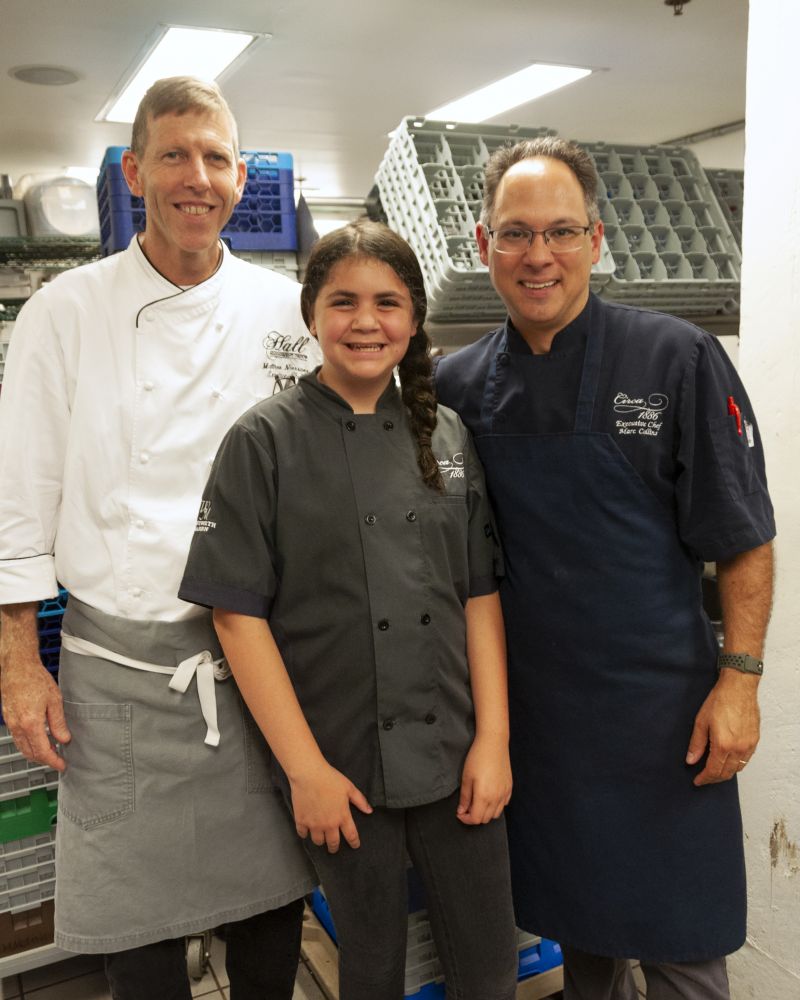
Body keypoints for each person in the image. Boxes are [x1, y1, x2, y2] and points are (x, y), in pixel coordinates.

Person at [0, 77, 320, 999]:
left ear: (241, 177)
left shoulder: (284, 312)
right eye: (174, 156)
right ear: (136, 171)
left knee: (269, 923)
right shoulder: (63, 312)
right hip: (122, 677)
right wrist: (20, 661)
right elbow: (20, 497)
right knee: (137, 947)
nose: (197, 178)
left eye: (216, 158)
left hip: (262, 663)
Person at [434, 137, 775, 1000]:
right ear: (483, 245)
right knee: (579, 935)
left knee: (684, 947)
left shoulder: (677, 359)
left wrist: (739, 680)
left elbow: (743, 536)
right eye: (515, 234)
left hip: (662, 720)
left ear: (596, 237)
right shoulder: (456, 387)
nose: (537, 256)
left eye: (560, 232)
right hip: (538, 723)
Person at [178, 219, 519, 1000]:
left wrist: (494, 741)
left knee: (488, 968)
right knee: (370, 970)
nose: (366, 322)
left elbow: (478, 593)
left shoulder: (449, 436)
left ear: (413, 318)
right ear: (311, 315)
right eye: (344, 302)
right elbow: (235, 616)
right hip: (342, 765)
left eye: (388, 303)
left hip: (456, 754)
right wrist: (305, 771)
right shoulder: (263, 441)